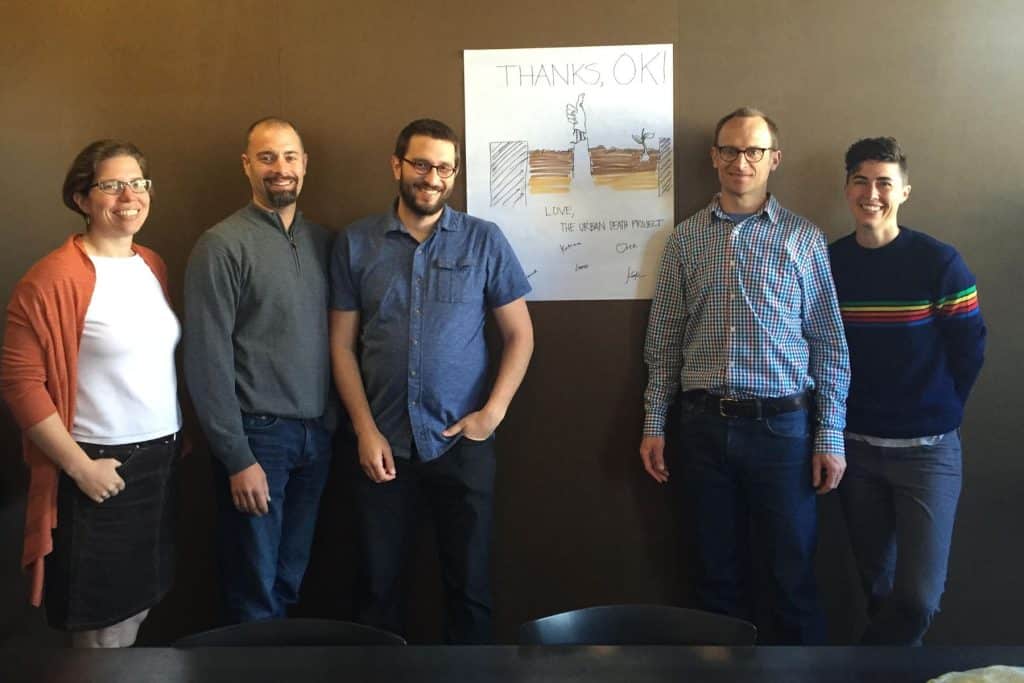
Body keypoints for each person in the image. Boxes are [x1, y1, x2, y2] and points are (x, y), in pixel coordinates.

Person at [639, 107, 849, 644]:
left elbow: (828, 344)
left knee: (791, 575)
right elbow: (663, 342)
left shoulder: (804, 239)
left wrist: (829, 435)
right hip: (702, 430)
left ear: (773, 159)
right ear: (714, 157)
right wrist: (653, 423)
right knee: (712, 581)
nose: (741, 161)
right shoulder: (684, 241)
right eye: (730, 150)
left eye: (754, 150)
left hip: (783, 433)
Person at [330, 118, 533, 643]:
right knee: (376, 591)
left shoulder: (484, 240)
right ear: (397, 165)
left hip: (461, 443)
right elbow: (341, 345)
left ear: (455, 173)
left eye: (444, 167)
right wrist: (364, 430)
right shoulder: (356, 243)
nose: (432, 177)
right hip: (383, 446)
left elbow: (520, 336)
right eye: (421, 164)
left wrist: (492, 414)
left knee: (469, 590)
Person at [1, 140, 181, 647]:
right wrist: (81, 468)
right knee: (101, 629)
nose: (130, 195)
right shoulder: (51, 279)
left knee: (140, 608)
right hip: (99, 470)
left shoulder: (151, 264)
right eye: (111, 185)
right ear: (82, 199)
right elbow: (19, 383)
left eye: (139, 183)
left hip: (159, 465)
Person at [829, 137, 986, 645]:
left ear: (904, 192)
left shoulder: (938, 262)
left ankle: (868, 668)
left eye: (884, 183)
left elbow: (970, 349)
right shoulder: (827, 263)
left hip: (929, 454)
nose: (871, 193)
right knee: (874, 588)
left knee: (918, 597)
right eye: (861, 181)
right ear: (847, 187)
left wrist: (936, 408)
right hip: (855, 452)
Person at [184, 117, 333, 623]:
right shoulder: (222, 245)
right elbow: (206, 359)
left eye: (290, 156)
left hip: (317, 438)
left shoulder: (324, 243)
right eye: (267, 157)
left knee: (290, 583)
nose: (281, 168)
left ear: (305, 164)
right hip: (257, 439)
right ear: (247, 165)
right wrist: (236, 456)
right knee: (254, 590)